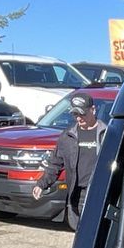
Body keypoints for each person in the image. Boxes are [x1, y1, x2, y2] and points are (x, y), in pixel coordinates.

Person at [32, 92, 107, 226]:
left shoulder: (106, 134)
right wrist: (41, 184)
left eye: (82, 114)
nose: (79, 118)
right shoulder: (68, 136)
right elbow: (55, 163)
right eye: (75, 114)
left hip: (99, 193)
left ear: (93, 110)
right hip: (77, 194)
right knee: (79, 231)